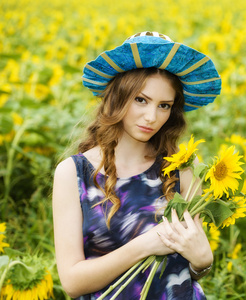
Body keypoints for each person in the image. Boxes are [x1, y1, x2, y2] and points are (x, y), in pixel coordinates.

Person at [52, 31, 222, 299]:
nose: (152, 117)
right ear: (117, 98)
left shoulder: (184, 167)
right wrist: (144, 246)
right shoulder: (74, 174)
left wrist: (202, 262)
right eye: (141, 100)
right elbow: (72, 282)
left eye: (164, 105)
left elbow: (192, 268)